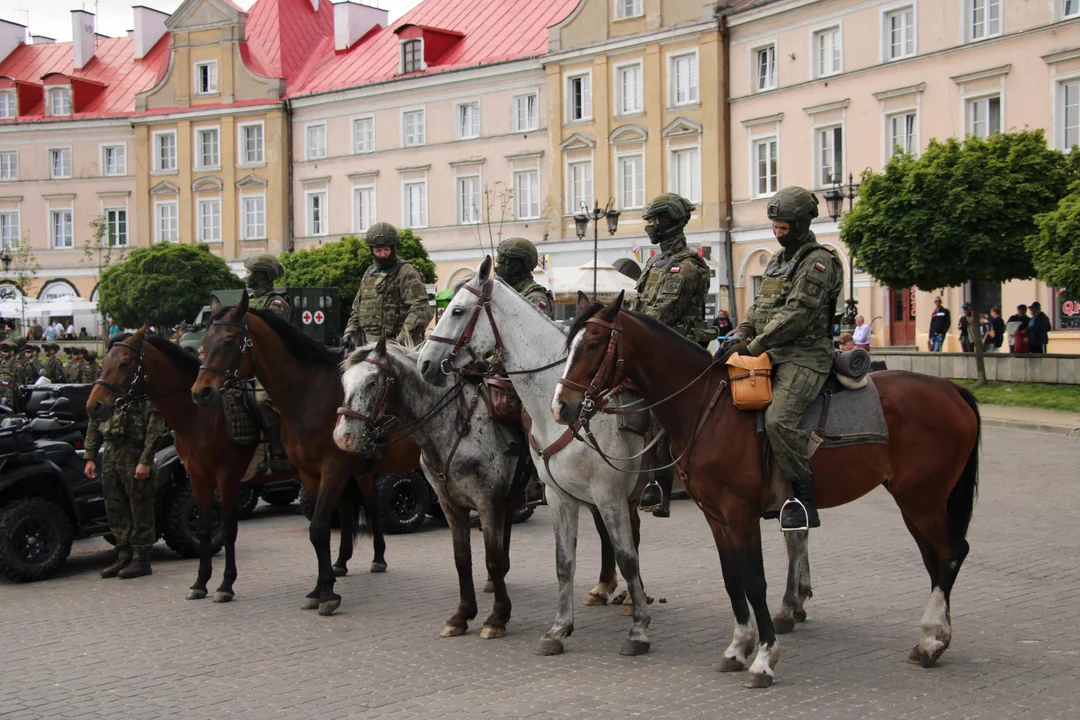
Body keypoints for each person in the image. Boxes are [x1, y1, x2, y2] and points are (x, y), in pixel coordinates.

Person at [722, 186, 843, 531]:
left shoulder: (819, 261)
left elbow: (796, 315)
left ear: (802, 223)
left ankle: (803, 499)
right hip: (771, 350)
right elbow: (761, 307)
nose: (777, 233)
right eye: (774, 227)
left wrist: (753, 346)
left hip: (806, 355)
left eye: (783, 228)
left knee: (778, 420)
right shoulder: (778, 261)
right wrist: (740, 333)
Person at [627, 193, 715, 518]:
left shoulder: (688, 266)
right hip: (653, 348)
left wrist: (627, 323)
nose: (649, 226)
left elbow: (659, 314)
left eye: (654, 220)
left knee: (660, 410)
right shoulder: (652, 263)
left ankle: (660, 484)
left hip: (680, 352)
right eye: (647, 220)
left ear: (670, 222)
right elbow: (637, 304)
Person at [84, 391, 168, 579]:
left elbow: (155, 427)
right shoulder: (106, 391)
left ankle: (141, 559)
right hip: (111, 453)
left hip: (134, 453)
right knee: (115, 506)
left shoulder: (140, 392)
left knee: (140, 507)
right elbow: (94, 422)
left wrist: (145, 460)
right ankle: (123, 554)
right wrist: (90, 456)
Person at [342, 222, 433, 350]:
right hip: (367, 346)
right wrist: (349, 331)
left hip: (399, 349)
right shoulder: (369, 273)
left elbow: (422, 309)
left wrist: (400, 342)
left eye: (386, 249)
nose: (383, 254)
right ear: (372, 251)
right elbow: (357, 311)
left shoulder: (406, 272)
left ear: (393, 248)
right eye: (378, 250)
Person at [242, 254, 293, 475]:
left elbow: (271, 336)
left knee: (262, 399)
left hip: (270, 368)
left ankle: (278, 451)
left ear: (261, 275)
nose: (246, 276)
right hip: (244, 364)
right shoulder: (246, 302)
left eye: (250, 272)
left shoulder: (276, 303)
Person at [494, 238, 553, 318]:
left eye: (501, 260)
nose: (496, 265)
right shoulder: (506, 290)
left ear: (516, 264)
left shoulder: (534, 297)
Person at [0, 342, 20, 409]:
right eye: (2, 351)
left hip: (13, 394)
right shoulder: (3, 363)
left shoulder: (17, 366)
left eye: (5, 351)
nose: (3, 353)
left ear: (12, 352)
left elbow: (19, 384)